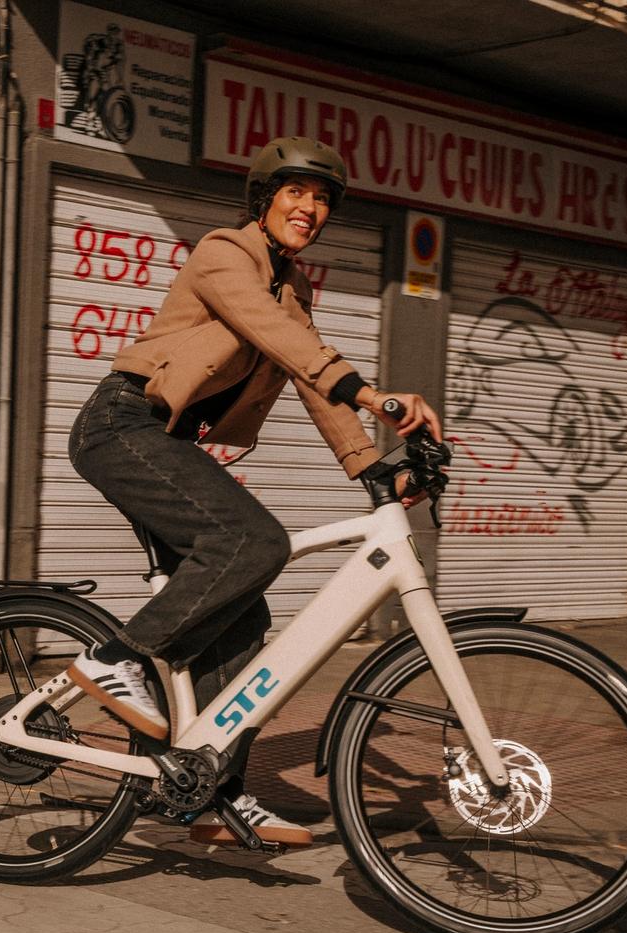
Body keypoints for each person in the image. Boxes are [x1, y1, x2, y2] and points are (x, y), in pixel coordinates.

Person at [63, 136, 443, 847]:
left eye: (322, 198)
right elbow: (276, 337)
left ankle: (210, 794)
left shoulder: (292, 288)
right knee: (253, 540)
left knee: (241, 616)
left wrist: (372, 468)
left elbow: (308, 376)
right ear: (264, 199)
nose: (311, 207)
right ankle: (111, 660)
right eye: (296, 191)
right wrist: (374, 394)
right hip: (118, 425)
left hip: (163, 441)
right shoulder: (221, 254)